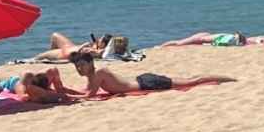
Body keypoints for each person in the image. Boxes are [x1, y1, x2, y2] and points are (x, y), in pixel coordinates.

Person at [69, 51, 235, 97]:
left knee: (192, 82)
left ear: (90, 63)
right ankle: (225, 78)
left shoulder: (99, 72)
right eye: (77, 67)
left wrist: (66, 95)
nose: (80, 69)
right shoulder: (92, 75)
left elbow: (89, 94)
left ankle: (229, 79)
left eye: (82, 65)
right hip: (142, 80)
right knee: (188, 80)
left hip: (146, 84)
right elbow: (87, 90)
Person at [159, 32, 264, 47]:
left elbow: (257, 40)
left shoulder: (232, 39)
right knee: (179, 43)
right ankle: (162, 46)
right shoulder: (235, 41)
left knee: (180, 43)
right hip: (203, 37)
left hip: (206, 37)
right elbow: (256, 40)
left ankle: (162, 46)